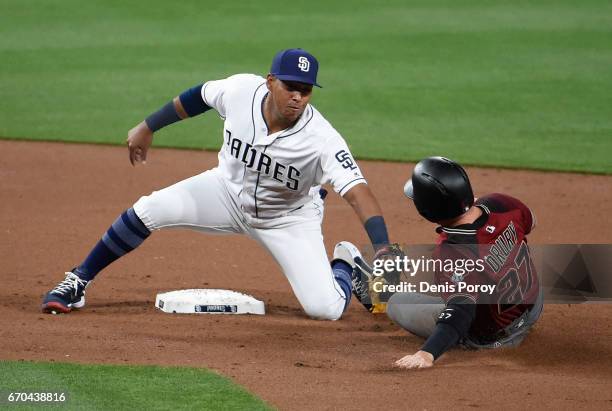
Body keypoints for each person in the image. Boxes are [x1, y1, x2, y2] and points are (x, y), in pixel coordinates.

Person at [42, 48, 391, 320]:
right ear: (270, 81)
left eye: (305, 90)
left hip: (288, 219)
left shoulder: (322, 139)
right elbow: (198, 97)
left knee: (324, 310)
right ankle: (79, 280)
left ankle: (346, 265)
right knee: (149, 208)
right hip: (223, 192)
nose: (297, 97)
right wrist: (149, 126)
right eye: (290, 87)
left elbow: (360, 194)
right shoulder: (240, 90)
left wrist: (384, 250)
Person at [335, 157, 542, 368]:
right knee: (464, 280)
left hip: (494, 336)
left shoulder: (452, 251)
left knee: (397, 302)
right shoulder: (501, 203)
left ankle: (377, 295)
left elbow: (461, 314)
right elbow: (531, 221)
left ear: (426, 209)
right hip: (533, 306)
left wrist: (426, 354)